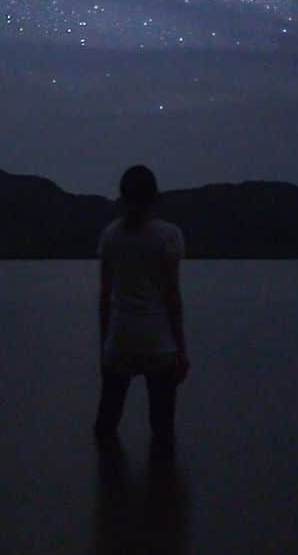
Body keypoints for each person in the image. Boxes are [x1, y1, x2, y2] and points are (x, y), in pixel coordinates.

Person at [93, 165, 188, 448]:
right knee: (162, 429)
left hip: (120, 339)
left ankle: (111, 485)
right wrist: (181, 350)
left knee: (106, 424)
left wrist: (103, 347)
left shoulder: (111, 235)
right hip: (158, 342)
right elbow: (172, 296)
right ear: (154, 197)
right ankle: (161, 487)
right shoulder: (168, 236)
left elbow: (104, 296)